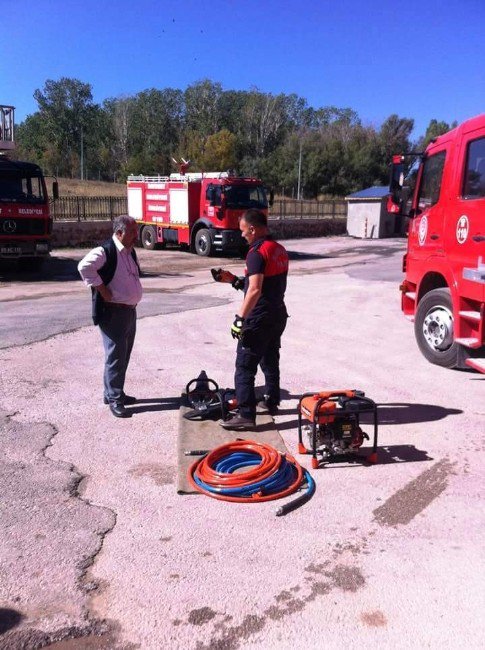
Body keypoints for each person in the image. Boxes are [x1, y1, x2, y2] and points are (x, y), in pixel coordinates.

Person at [214, 208, 289, 430]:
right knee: (270, 358)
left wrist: (239, 319)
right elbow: (267, 286)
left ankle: (246, 414)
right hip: (277, 315)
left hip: (259, 320)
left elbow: (255, 291)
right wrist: (235, 281)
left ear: (253, 229)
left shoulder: (256, 253)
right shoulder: (279, 249)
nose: (242, 235)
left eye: (244, 230)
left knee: (245, 366)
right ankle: (272, 399)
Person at [78, 215, 142, 418]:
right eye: (132, 232)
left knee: (122, 355)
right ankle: (114, 399)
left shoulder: (129, 252)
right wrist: (102, 289)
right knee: (116, 356)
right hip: (114, 312)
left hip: (129, 311)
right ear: (120, 232)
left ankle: (114, 393)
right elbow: (83, 267)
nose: (136, 235)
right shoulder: (105, 251)